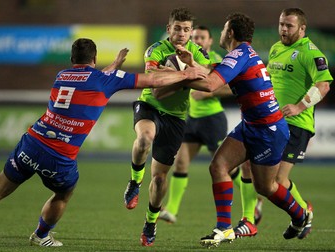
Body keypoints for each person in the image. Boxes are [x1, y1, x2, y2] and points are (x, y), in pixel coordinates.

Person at [0, 38, 206, 247]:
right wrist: (187, 74)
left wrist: (114, 65)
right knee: (63, 194)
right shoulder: (105, 80)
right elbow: (151, 81)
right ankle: (41, 235)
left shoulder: (62, 75)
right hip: (59, 155)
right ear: (94, 58)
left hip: (32, 141)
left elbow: (91, 77)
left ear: (73, 58)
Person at [175, 12, 312, 248]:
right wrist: (192, 63)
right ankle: (224, 228)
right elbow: (213, 70)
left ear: (230, 33)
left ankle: (300, 216)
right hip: (252, 125)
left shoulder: (239, 54)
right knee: (218, 166)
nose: (220, 33)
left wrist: (177, 77)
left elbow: (210, 84)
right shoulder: (242, 54)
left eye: (223, 29)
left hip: (269, 130)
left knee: (266, 187)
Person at [122, 7, 211, 246]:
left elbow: (210, 80)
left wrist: (188, 67)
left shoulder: (198, 53)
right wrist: (188, 76)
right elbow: (155, 86)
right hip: (149, 106)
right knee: (144, 139)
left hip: (175, 117)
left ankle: (150, 222)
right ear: (168, 29)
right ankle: (134, 182)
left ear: (191, 31)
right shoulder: (156, 50)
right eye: (177, 28)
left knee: (160, 179)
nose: (181, 33)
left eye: (186, 29)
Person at [266, 7, 333, 239]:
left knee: (276, 181)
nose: (284, 29)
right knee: (263, 178)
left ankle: (303, 213)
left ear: (302, 28)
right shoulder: (275, 48)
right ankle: (300, 215)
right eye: (281, 24)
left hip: (297, 124)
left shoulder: (311, 53)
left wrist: (298, 106)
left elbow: (323, 85)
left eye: (289, 25)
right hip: (272, 122)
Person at [158, 25, 232, 224]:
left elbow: (232, 88)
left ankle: (251, 203)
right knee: (180, 163)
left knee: (226, 167)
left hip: (213, 119)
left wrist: (211, 91)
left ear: (210, 41)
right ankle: (171, 211)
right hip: (192, 118)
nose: (198, 40)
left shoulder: (215, 59)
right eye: (196, 37)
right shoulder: (183, 58)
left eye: (202, 37)